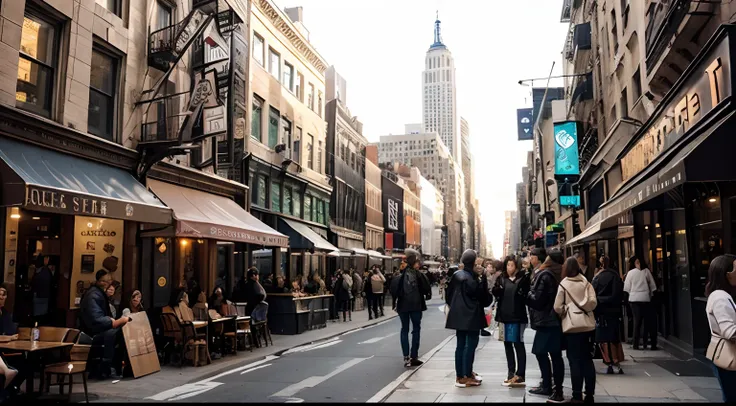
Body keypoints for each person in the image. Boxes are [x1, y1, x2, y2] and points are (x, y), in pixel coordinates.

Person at [554, 257, 598, 403]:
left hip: (572, 328)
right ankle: (590, 395)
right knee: (587, 359)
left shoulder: (564, 284)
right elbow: (593, 303)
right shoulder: (586, 282)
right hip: (587, 326)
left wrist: (567, 309)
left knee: (574, 361)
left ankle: (577, 394)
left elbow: (557, 307)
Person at [446, 249, 491, 388]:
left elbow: (448, 295)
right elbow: (484, 299)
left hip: (458, 316)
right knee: (470, 345)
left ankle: (461, 374)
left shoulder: (456, 275)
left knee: (460, 345)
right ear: (473, 262)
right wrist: (483, 279)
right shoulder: (472, 278)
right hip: (471, 317)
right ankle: (465, 376)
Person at [526, 249, 565, 402]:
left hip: (546, 320)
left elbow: (538, 300)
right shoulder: (558, 273)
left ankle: (548, 385)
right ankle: (553, 386)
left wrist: (526, 294)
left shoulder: (545, 274)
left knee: (540, 351)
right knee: (555, 355)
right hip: (555, 320)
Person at [79, 270, 129, 380]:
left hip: (98, 330)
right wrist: (113, 321)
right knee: (114, 334)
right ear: (102, 282)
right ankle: (106, 367)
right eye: (108, 282)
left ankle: (118, 366)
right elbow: (96, 319)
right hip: (92, 333)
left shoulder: (99, 294)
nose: (110, 284)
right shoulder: (93, 295)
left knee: (119, 332)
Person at [492, 255, 530, 388]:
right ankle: (510, 373)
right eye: (508, 265)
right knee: (507, 344)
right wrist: (498, 290)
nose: (510, 268)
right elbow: (495, 293)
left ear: (517, 266)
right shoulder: (501, 278)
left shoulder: (523, 278)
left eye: (512, 265)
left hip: (517, 317)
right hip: (504, 317)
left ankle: (520, 374)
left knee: (518, 344)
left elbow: (526, 294)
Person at [391, 249, 431, 368]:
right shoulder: (419, 275)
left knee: (404, 329)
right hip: (416, 306)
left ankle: (406, 357)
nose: (419, 265)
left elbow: (394, 290)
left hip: (403, 306)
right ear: (413, 263)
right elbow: (426, 289)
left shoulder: (400, 276)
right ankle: (414, 356)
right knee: (416, 329)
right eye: (417, 263)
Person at [705, 254, 736, 403]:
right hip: (729, 356)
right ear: (727, 274)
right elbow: (730, 331)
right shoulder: (720, 297)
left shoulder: (721, 295)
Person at [592, 255, 625, 374]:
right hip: (614, 311)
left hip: (601, 311)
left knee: (604, 338)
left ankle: (608, 361)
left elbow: (593, 294)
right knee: (614, 337)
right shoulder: (615, 276)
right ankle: (617, 360)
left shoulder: (597, 277)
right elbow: (619, 294)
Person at [623, 256, 657, 350]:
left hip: (634, 299)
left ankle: (636, 344)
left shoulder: (630, 273)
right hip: (645, 298)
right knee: (648, 322)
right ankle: (649, 342)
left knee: (636, 322)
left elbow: (627, 288)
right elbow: (653, 286)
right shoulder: (646, 271)